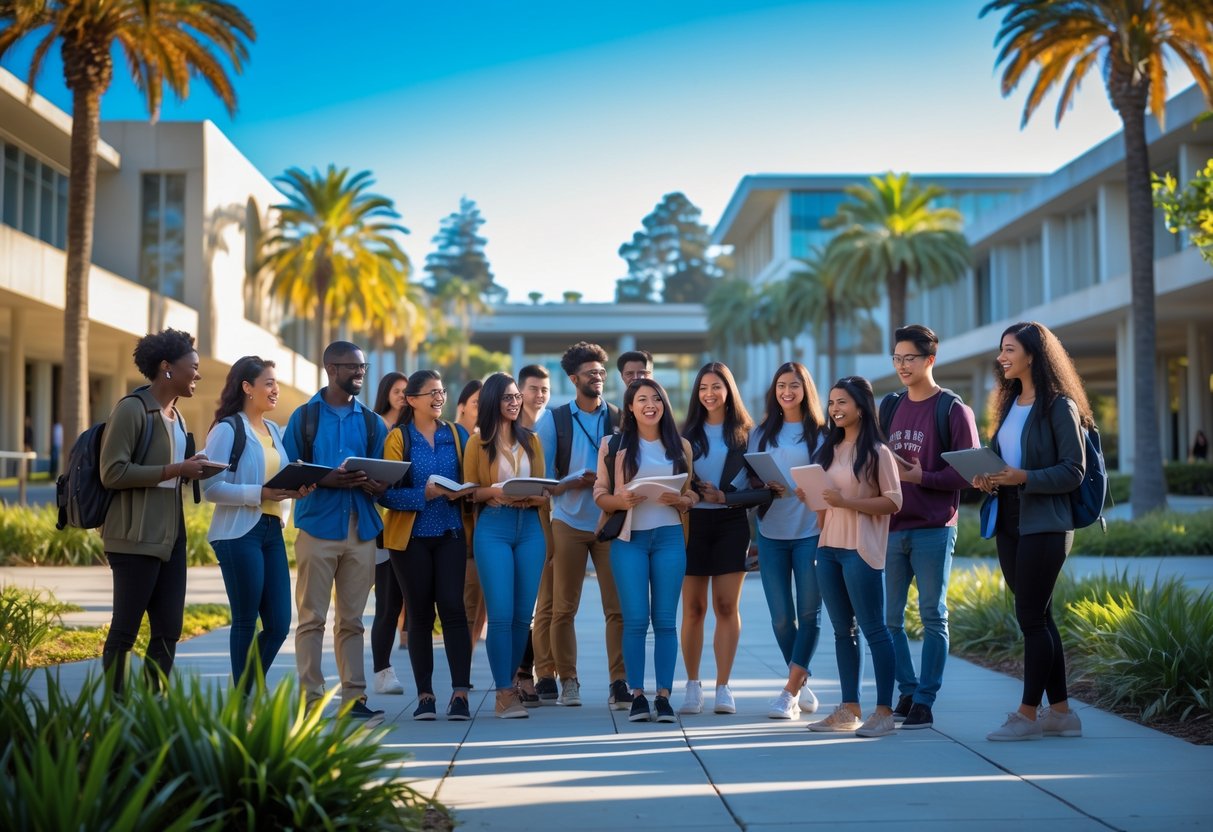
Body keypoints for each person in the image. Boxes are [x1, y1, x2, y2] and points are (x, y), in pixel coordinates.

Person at [975, 321, 1088, 742]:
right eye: (1001, 350)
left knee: (1030, 619)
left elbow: (1072, 471)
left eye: (1008, 349)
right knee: (1039, 616)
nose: (1001, 357)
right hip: (1009, 520)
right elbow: (1004, 464)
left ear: (1033, 355)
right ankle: (1061, 713)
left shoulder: (1060, 406)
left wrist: (1021, 476)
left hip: (1047, 523)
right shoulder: (1008, 405)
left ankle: (1027, 715)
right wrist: (988, 477)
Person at [283, 341, 389, 720]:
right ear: (330, 368)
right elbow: (289, 473)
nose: (360, 373)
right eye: (352, 367)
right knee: (311, 618)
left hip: (361, 530)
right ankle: (311, 701)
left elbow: (381, 478)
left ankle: (353, 700)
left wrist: (376, 484)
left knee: (353, 621)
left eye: (363, 367)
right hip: (317, 528)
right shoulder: (304, 418)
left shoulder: (372, 421)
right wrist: (328, 479)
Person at [99, 328, 209, 695]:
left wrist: (193, 467)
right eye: (192, 366)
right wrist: (177, 469)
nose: (197, 374)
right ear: (166, 368)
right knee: (125, 630)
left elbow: (170, 471)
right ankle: (115, 710)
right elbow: (112, 472)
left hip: (171, 536)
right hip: (133, 536)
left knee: (168, 630)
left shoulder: (176, 417)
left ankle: (150, 708)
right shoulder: (132, 409)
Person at [881, 325, 980, 730]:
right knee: (889, 621)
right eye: (897, 358)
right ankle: (907, 690)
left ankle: (925, 699)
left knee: (932, 615)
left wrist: (923, 478)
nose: (903, 366)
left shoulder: (953, 410)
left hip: (934, 528)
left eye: (910, 358)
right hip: (891, 526)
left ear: (930, 360)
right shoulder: (888, 406)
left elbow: (971, 474)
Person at [204, 356, 313, 690]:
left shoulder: (274, 432)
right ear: (247, 388)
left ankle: (247, 688)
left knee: (279, 623)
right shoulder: (227, 429)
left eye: (276, 383)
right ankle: (245, 699)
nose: (275, 390)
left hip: (270, 531)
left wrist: (296, 488)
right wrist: (261, 491)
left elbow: (276, 479)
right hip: (238, 533)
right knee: (245, 621)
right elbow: (210, 488)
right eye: (269, 383)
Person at [803, 376, 902, 738]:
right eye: (831, 403)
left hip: (861, 550)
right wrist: (811, 497)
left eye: (842, 402)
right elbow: (826, 505)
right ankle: (850, 709)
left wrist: (847, 502)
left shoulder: (879, 453)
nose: (835, 409)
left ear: (861, 406)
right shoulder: (828, 451)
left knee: (874, 629)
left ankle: (885, 712)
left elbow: (894, 501)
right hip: (828, 548)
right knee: (843, 631)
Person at [595, 378, 696, 723]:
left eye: (656, 398)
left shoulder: (680, 445)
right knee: (636, 620)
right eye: (642, 399)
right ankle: (637, 695)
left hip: (669, 537)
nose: (650, 404)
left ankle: (664, 696)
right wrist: (619, 499)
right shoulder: (613, 445)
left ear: (664, 405)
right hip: (629, 540)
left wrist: (682, 499)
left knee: (666, 620)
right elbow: (600, 493)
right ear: (630, 407)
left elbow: (691, 493)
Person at [536, 342, 628, 708]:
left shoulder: (619, 417)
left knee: (617, 608)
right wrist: (570, 483)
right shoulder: (554, 420)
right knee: (563, 608)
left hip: (609, 522)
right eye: (591, 373)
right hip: (568, 521)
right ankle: (568, 680)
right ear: (574, 379)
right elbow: (543, 483)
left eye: (602, 373)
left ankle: (619, 682)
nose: (598, 379)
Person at [380, 370, 475, 721]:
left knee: (453, 608)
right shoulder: (398, 438)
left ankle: (461, 694)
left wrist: (464, 489)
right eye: (431, 392)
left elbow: (471, 479)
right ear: (412, 400)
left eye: (442, 391)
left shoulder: (458, 434)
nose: (439, 398)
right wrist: (425, 494)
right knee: (419, 614)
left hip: (450, 532)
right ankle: (425, 696)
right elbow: (385, 492)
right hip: (411, 539)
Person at [464, 372, 548, 718]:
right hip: (494, 527)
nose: (515, 403)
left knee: (520, 617)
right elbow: (469, 491)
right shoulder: (478, 442)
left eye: (517, 397)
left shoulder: (532, 440)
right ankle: (503, 693)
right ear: (492, 402)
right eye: (508, 398)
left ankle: (511, 684)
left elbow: (544, 490)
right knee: (499, 615)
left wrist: (537, 495)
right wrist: (496, 492)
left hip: (530, 526)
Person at [749, 362, 827, 720]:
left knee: (810, 613)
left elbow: (830, 483)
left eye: (794, 385)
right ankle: (802, 681)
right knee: (782, 618)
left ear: (805, 390)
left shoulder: (823, 434)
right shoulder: (761, 433)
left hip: (812, 532)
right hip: (771, 533)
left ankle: (789, 693)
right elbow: (749, 481)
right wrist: (764, 488)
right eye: (781, 385)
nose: (787, 391)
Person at [676, 362, 754, 716]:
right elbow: (672, 477)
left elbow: (762, 489)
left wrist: (724, 495)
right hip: (691, 525)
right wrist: (695, 490)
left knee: (726, 607)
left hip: (731, 524)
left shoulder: (748, 434)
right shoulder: (682, 434)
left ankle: (723, 686)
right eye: (703, 387)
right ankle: (693, 686)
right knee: (693, 610)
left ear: (728, 391)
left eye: (716, 386)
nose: (709, 393)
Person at [515, 364, 552, 705]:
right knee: (520, 606)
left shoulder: (552, 425)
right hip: (511, 522)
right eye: (533, 389)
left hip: (549, 522)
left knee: (546, 605)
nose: (539, 395)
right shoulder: (505, 429)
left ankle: (547, 672)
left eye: (544, 389)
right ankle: (521, 674)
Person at [370, 371, 408, 696]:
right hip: (373, 526)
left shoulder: (411, 432)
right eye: (397, 390)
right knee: (383, 604)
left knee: (393, 603)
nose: (402, 395)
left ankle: (385, 670)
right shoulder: (374, 425)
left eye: (407, 391)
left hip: (400, 527)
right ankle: (379, 671)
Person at [455, 379, 487, 646]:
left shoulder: (489, 439)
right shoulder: (450, 436)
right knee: (467, 600)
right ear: (461, 406)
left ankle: (469, 651)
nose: (482, 408)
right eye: (477, 402)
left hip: (484, 529)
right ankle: (462, 665)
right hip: (460, 531)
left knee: (480, 604)